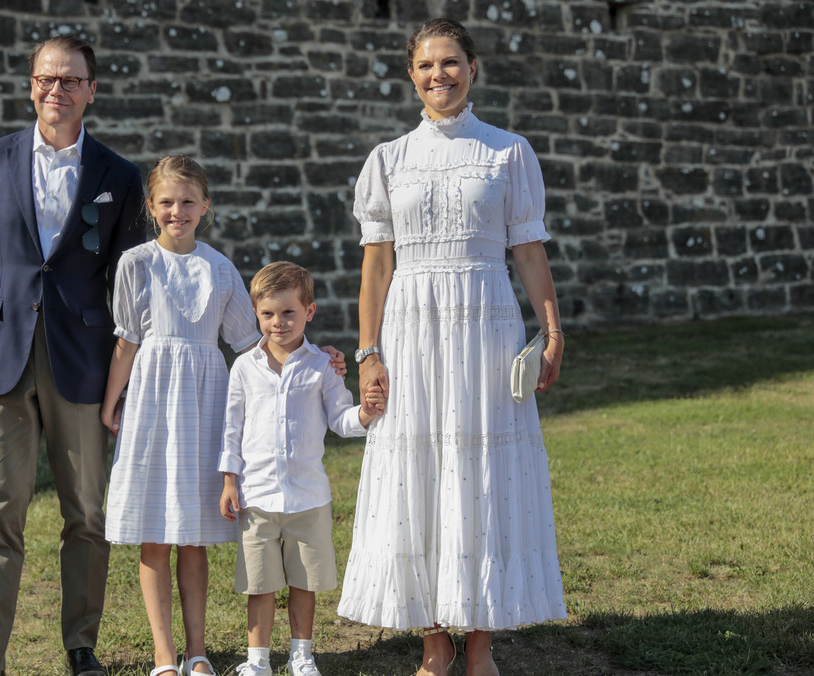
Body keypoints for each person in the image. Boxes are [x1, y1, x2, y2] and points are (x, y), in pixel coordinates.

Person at [336, 18, 568, 676]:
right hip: (410, 331)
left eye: (452, 62)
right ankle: (435, 643)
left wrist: (552, 329)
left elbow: (527, 249)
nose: (440, 74)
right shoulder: (387, 160)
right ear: (411, 75)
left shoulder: (508, 152)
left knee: (487, 477)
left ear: (473, 68)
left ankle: (484, 646)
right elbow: (376, 268)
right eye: (427, 64)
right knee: (421, 476)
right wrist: (368, 351)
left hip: (486, 324)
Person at [0, 35, 146, 676]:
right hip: (0, 358)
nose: (55, 90)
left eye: (70, 80)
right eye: (45, 79)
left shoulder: (119, 175)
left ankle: (82, 647)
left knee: (86, 512)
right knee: (0, 511)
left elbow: (129, 286)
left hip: (81, 363)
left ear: (91, 90)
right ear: (31, 84)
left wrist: (124, 380)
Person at [98, 154, 260, 676]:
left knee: (194, 533)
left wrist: (309, 357)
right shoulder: (136, 264)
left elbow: (249, 342)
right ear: (150, 207)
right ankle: (162, 654)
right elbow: (126, 341)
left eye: (188, 201)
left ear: (205, 206)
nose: (177, 211)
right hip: (151, 405)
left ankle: (197, 651)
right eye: (166, 202)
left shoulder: (220, 267)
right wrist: (110, 402)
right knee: (155, 532)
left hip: (205, 405)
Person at [218, 262, 385, 676]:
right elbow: (231, 429)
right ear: (256, 314)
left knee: (304, 582)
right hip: (256, 497)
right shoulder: (244, 367)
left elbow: (340, 419)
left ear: (309, 311)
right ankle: (257, 661)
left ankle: (301, 655)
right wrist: (228, 481)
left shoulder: (322, 366)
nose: (278, 323)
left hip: (308, 498)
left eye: (289, 312)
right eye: (268, 314)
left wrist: (364, 415)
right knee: (259, 583)